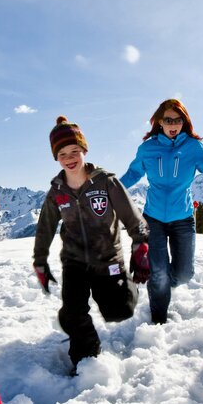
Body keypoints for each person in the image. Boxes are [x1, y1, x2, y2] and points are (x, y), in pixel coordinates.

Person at [32, 116, 151, 371]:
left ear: (83, 150)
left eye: (74, 151)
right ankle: (87, 360)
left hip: (108, 259)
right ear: (56, 158)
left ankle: (125, 292)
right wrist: (39, 260)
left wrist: (141, 245)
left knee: (119, 311)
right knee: (74, 313)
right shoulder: (57, 191)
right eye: (62, 153)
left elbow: (133, 217)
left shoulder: (106, 182)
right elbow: (45, 228)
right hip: (74, 262)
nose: (69, 158)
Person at [120, 98, 203, 324]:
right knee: (160, 273)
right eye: (168, 119)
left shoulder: (193, 147)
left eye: (178, 119)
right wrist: (112, 187)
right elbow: (133, 174)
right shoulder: (148, 148)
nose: (173, 124)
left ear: (184, 122)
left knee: (184, 274)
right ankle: (158, 321)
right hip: (152, 218)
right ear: (160, 122)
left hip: (183, 218)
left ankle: (159, 283)